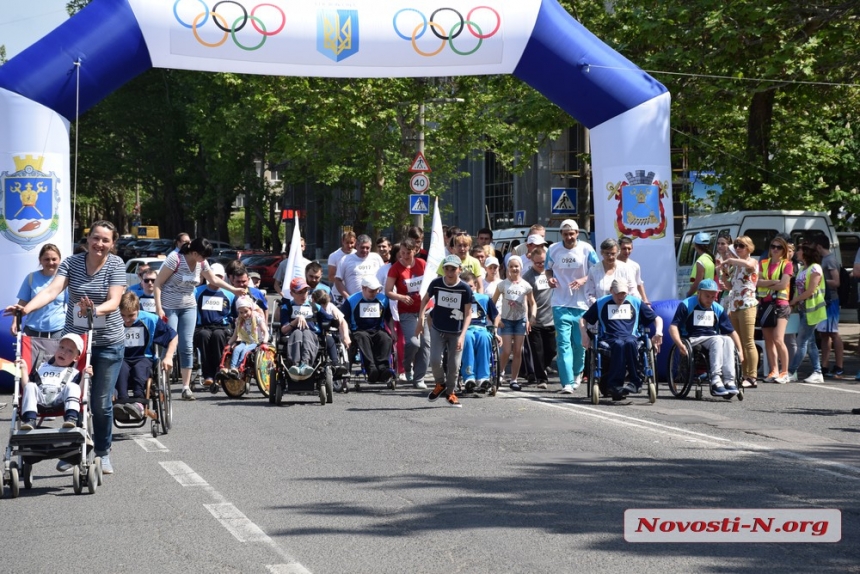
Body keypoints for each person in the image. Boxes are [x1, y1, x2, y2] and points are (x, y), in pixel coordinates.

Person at [6, 221, 126, 474]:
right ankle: (73, 451)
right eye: (95, 238)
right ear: (88, 239)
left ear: (112, 243)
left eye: (105, 240)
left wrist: (94, 309)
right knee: (70, 395)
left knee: (100, 401)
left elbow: (115, 301)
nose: (99, 244)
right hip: (74, 342)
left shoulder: (116, 264)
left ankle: (103, 452)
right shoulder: (71, 263)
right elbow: (52, 291)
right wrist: (25, 309)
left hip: (107, 342)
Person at [154, 237, 245, 400]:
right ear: (194, 253)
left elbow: (213, 279)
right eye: (203, 256)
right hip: (169, 306)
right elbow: (158, 284)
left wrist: (234, 289)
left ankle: (186, 387)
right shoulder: (175, 259)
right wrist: (159, 308)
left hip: (188, 305)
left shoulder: (202, 263)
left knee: (187, 345)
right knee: (169, 344)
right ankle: (162, 383)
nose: (205, 260)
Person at [581, 280, 663, 401]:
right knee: (619, 344)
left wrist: (659, 332)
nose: (621, 296)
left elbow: (657, 318)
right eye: (618, 293)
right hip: (610, 338)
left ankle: (636, 382)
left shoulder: (635, 302)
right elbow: (583, 319)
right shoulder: (601, 303)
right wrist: (584, 336)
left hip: (631, 336)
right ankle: (615, 385)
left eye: (623, 293)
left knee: (630, 343)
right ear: (611, 291)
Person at [546, 219, 599, 393]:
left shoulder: (587, 249)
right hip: (560, 303)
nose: (569, 237)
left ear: (577, 233)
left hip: (582, 304)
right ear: (561, 234)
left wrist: (583, 280)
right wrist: (550, 279)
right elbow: (548, 269)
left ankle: (577, 373)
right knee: (563, 343)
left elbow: (596, 269)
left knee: (579, 343)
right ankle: (567, 382)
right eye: (565, 234)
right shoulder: (553, 249)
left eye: (572, 233)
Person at [669, 279, 743, 397]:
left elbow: (731, 332)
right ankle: (715, 379)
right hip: (692, 338)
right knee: (717, 340)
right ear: (698, 293)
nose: (710, 299)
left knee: (728, 340)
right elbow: (673, 327)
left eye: (713, 297)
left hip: (711, 337)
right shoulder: (686, 304)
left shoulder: (717, 308)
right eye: (707, 296)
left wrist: (740, 351)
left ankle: (729, 380)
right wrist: (679, 344)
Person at [417, 254, 472, 408]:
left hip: (456, 331)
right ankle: (440, 384)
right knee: (434, 360)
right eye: (446, 268)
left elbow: (468, 314)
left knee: (454, 365)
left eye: (453, 269)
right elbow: (424, 300)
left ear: (459, 270)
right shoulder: (436, 283)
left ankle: (450, 392)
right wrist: (420, 320)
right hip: (437, 328)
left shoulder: (465, 288)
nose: (449, 272)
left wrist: (462, 336)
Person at [116, 292, 177, 420]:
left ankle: (139, 404)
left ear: (138, 310)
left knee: (140, 368)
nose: (126, 320)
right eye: (123, 315)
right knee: (120, 368)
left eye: (131, 315)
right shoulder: (114, 320)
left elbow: (173, 336)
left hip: (143, 356)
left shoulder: (151, 319)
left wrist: (168, 356)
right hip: (121, 358)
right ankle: (121, 404)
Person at [16, 333, 87, 430]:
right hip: (39, 401)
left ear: (76, 358)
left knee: (73, 387)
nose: (63, 352)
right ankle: (30, 420)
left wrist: (84, 376)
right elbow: (26, 388)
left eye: (70, 351)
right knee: (30, 386)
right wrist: (24, 369)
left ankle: (71, 418)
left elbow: (79, 393)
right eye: (61, 347)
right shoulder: (41, 367)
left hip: (61, 401)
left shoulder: (75, 373)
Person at [385, 237, 429, 389]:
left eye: (408, 253)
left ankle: (419, 379)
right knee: (413, 342)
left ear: (415, 251)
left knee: (425, 344)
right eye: (402, 253)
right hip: (407, 312)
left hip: (424, 309)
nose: (404, 256)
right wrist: (402, 297)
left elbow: (430, 283)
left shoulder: (422, 264)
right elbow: (388, 291)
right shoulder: (395, 268)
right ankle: (407, 366)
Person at [719, 236, 759, 388]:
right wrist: (723, 272)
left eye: (741, 245)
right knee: (739, 342)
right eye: (736, 245)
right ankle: (743, 374)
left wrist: (729, 261)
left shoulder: (752, 261)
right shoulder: (736, 267)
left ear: (748, 247)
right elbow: (729, 286)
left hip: (747, 305)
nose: (737, 248)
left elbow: (748, 264)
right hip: (735, 306)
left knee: (748, 341)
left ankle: (752, 376)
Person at [492, 255, 535, 390]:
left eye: (516, 266)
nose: (514, 269)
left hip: (520, 321)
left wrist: (531, 318)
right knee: (506, 350)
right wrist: (496, 318)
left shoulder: (526, 285)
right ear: (508, 268)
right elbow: (492, 303)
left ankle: (514, 380)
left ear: (521, 267)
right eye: (511, 266)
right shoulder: (502, 284)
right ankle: (500, 372)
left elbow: (532, 303)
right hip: (506, 321)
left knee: (518, 351)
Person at [341, 276, 394, 384]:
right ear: (363, 288)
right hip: (359, 330)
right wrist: (345, 335)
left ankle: (383, 369)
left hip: (377, 329)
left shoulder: (383, 299)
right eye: (371, 291)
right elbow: (343, 320)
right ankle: (371, 370)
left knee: (385, 338)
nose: (374, 293)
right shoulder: (352, 300)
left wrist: (393, 331)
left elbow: (389, 318)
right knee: (363, 338)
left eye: (376, 291)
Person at [756, 235, 793, 384]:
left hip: (781, 303)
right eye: (773, 246)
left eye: (779, 247)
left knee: (778, 338)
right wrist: (772, 282)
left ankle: (784, 371)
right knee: (768, 340)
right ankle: (774, 370)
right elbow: (756, 282)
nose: (775, 250)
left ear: (784, 250)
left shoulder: (787, 264)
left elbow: (783, 285)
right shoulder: (763, 263)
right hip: (765, 304)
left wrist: (765, 284)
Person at [787, 244, 826, 384]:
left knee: (801, 342)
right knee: (810, 343)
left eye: (799, 250)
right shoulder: (803, 269)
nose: (797, 252)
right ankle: (817, 371)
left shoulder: (815, 268)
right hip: (804, 310)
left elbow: (810, 290)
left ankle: (791, 371)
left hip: (813, 310)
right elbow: (799, 289)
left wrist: (794, 301)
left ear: (806, 253)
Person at [279, 277, 332, 377]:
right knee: (297, 332)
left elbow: (330, 319)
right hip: (293, 337)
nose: (303, 295)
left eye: (305, 291)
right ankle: (295, 365)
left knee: (307, 332)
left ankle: (305, 364)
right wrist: (296, 321)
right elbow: (284, 330)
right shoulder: (287, 308)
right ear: (292, 294)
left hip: (312, 336)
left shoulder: (315, 306)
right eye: (299, 292)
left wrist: (337, 319)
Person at [193, 263, 234, 388]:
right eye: (214, 276)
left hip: (222, 327)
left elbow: (236, 314)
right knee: (204, 336)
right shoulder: (197, 292)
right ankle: (208, 375)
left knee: (218, 336)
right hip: (203, 327)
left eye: (219, 277)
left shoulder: (229, 294)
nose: (216, 279)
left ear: (223, 278)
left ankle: (220, 371)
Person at [458, 271, 500, 393]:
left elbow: (495, 316)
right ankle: (469, 376)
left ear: (475, 286)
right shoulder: (458, 299)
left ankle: (483, 377)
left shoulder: (485, 298)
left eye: (470, 286)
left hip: (481, 328)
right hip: (465, 329)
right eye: (464, 286)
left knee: (484, 337)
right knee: (468, 337)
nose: (468, 289)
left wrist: (495, 330)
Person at [12, 243, 66, 338]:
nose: (50, 262)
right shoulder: (31, 278)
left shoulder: (64, 280)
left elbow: (73, 305)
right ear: (40, 260)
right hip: (32, 331)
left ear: (59, 260)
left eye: (54, 259)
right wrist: (15, 322)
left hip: (57, 331)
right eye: (46, 259)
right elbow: (22, 303)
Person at [523, 245, 556, 389]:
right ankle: (541, 379)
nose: (541, 265)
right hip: (535, 320)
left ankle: (545, 367)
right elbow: (525, 300)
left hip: (552, 318)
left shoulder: (552, 273)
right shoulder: (528, 277)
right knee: (537, 352)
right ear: (532, 261)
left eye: (543, 262)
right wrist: (528, 318)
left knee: (551, 350)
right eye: (537, 263)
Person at [813, 234, 844, 378]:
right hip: (825, 300)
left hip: (831, 300)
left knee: (833, 332)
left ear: (819, 246)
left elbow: (836, 282)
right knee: (824, 334)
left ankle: (839, 366)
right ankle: (824, 365)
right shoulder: (824, 259)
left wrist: (819, 281)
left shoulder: (830, 259)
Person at [223, 295, 268, 378]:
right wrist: (229, 344)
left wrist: (265, 341)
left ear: (251, 309)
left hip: (256, 341)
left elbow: (265, 331)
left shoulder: (257, 317)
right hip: (245, 341)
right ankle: (233, 368)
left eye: (246, 311)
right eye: (241, 312)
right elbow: (235, 335)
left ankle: (239, 367)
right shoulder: (239, 320)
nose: (244, 314)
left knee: (245, 351)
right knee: (237, 349)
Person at [585, 238, 637, 306]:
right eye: (607, 253)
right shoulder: (593, 270)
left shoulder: (626, 268)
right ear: (601, 253)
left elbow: (633, 291)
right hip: (600, 309)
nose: (610, 257)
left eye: (613, 254)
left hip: (624, 309)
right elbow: (589, 294)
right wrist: (599, 306)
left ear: (618, 252)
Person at [335, 234, 385, 299]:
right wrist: (348, 298)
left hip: (375, 300)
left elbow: (384, 277)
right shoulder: (345, 259)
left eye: (367, 248)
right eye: (362, 247)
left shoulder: (376, 258)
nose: (365, 250)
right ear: (356, 246)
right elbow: (338, 280)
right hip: (354, 301)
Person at [617, 237, 649, 305]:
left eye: (629, 249)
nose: (627, 251)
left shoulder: (635, 265)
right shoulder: (612, 264)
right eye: (624, 248)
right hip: (620, 301)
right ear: (618, 248)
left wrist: (645, 300)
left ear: (632, 248)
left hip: (635, 300)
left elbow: (639, 283)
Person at [328, 231, 357, 295]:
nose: (349, 245)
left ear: (355, 242)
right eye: (347, 243)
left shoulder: (358, 255)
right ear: (342, 241)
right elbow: (331, 276)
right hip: (338, 294)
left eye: (351, 243)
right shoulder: (334, 256)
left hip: (354, 293)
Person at [687, 232, 715, 296]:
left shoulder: (701, 261)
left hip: (698, 296)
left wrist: (688, 294)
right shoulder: (710, 259)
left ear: (695, 245)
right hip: (707, 295)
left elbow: (697, 283)